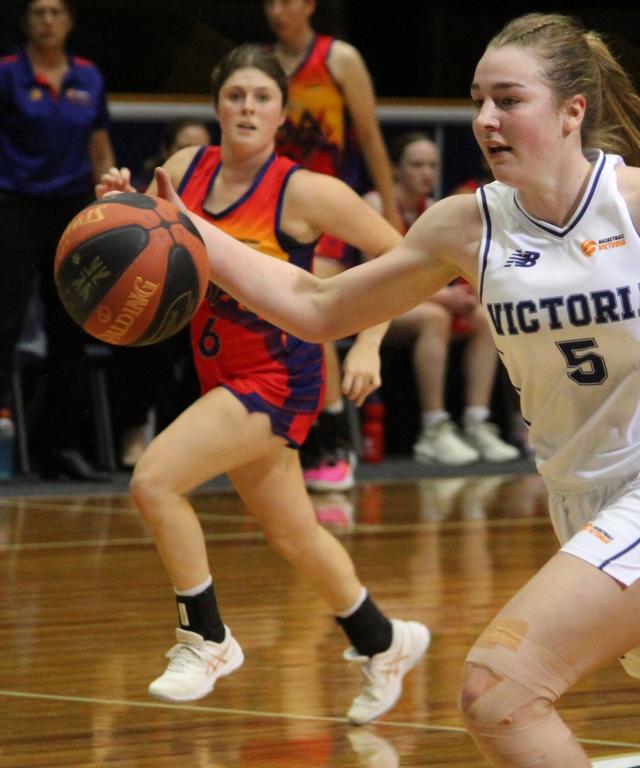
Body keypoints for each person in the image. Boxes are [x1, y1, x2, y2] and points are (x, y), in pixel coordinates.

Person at [147, 14, 640, 766]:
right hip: (585, 503)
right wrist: (189, 229)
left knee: (497, 692)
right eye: (478, 103)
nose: (486, 120)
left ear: (572, 112)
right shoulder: (469, 226)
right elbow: (317, 307)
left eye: (508, 100)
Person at [96, 44, 428, 725]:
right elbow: (160, 241)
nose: (247, 107)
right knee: (294, 533)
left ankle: (206, 638)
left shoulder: (305, 190)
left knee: (154, 482)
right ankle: (384, 641)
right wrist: (121, 208)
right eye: (235, 96)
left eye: (261, 97)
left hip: (280, 376)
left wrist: (368, 340)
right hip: (218, 367)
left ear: (283, 112)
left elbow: (404, 256)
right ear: (218, 105)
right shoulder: (186, 169)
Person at [265, 0, 402, 491]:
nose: (278, 10)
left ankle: (334, 435)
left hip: (329, 207)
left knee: (313, 306)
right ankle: (282, 432)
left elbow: (369, 137)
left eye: (288, 1)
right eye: (271, 2)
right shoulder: (260, 65)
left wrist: (389, 209)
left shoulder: (339, 59)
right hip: (273, 205)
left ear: (309, 6)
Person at [0, 0, 115, 480]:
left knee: (71, 327)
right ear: (26, 21)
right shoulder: (6, 73)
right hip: (13, 205)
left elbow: (100, 146)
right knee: (4, 322)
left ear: (70, 21)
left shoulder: (88, 77)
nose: (48, 21)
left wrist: (108, 207)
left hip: (72, 210)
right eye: (39, 12)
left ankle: (61, 447)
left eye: (57, 12)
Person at [364, 132, 519, 466]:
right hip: (371, 309)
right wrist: (441, 297)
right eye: (417, 164)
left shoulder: (432, 209)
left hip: (415, 301)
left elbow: (444, 274)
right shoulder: (376, 203)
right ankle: (433, 429)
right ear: (395, 170)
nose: (427, 173)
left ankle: (477, 422)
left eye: (432, 165)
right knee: (434, 318)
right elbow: (377, 279)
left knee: (484, 315)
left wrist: (463, 293)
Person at [115, 118, 213, 468]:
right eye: (182, 148)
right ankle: (135, 428)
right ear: (166, 153)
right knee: (151, 340)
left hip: (206, 302)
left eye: (199, 150)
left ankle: (186, 439)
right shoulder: (146, 196)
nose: (190, 156)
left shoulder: (220, 197)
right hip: (151, 299)